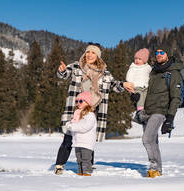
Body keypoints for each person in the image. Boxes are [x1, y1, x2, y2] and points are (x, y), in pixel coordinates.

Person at [54, 43, 134, 175]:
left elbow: (113, 84)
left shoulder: (104, 73)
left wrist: (123, 84)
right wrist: (62, 71)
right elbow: (63, 74)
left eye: (93, 53)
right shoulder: (76, 66)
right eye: (88, 52)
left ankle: (87, 166)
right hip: (76, 108)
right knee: (68, 136)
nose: (89, 55)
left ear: (98, 56)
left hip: (92, 110)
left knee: (89, 138)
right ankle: (59, 165)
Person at [142, 48, 184, 178]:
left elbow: (176, 97)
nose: (159, 55)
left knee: (147, 139)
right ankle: (157, 170)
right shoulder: (152, 72)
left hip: (160, 111)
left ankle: (154, 166)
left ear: (168, 54)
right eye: (156, 53)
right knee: (153, 141)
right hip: (147, 111)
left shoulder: (173, 73)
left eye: (162, 52)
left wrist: (170, 118)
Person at [65, 91, 96, 176]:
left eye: (81, 101)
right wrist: (68, 124)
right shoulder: (77, 113)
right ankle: (80, 172)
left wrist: (72, 127)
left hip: (86, 142)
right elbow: (73, 124)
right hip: (77, 142)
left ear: (87, 102)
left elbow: (85, 127)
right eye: (77, 101)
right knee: (79, 160)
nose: (78, 103)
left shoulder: (90, 115)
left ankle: (87, 173)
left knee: (86, 159)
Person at [125, 48, 152, 124]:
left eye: (139, 59)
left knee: (146, 99)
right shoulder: (133, 67)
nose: (137, 61)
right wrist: (131, 86)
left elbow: (151, 75)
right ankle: (140, 112)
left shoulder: (148, 67)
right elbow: (128, 77)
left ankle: (139, 115)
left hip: (146, 87)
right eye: (136, 59)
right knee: (139, 97)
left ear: (144, 60)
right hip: (136, 87)